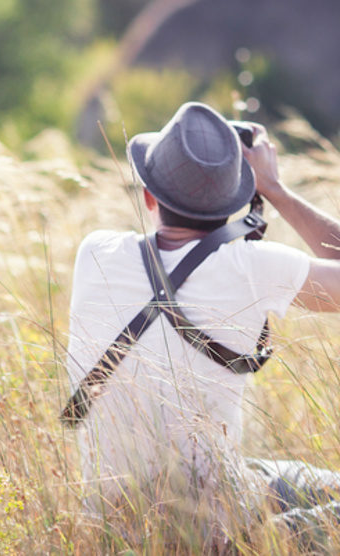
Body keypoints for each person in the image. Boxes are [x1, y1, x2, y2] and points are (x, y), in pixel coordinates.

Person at [66, 102, 340, 548]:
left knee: (254, 473)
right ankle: (266, 542)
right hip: (214, 529)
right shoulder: (253, 266)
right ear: (233, 205)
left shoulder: (94, 251)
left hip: (112, 527)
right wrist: (276, 189)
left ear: (150, 197)